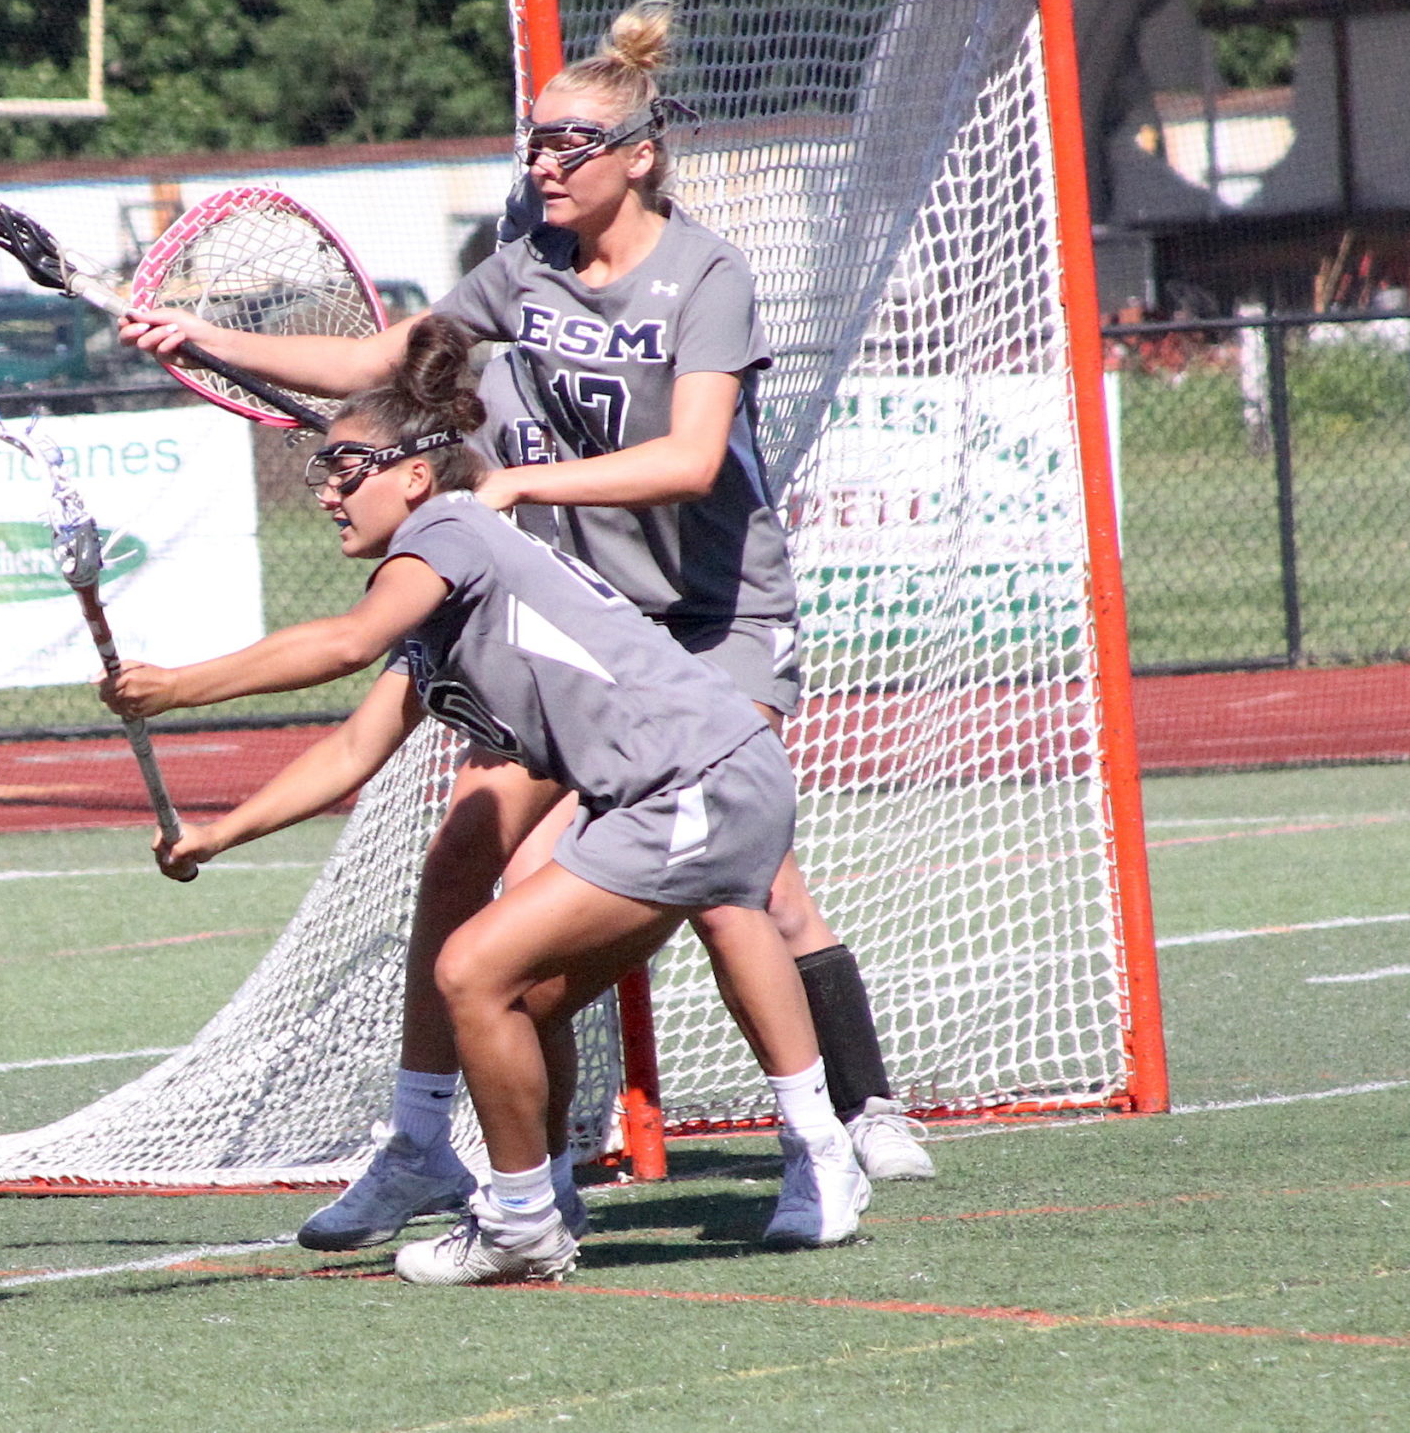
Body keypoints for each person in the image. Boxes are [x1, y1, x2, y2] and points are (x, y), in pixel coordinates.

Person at [118, 2, 931, 1252]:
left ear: (639, 153)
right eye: (533, 144)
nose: (543, 164)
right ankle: (421, 1144)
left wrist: (517, 486)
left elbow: (690, 457)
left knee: (735, 882)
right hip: (588, 623)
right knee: (465, 853)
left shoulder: (703, 273)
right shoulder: (524, 267)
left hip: (714, 618)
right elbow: (395, 361)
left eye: (570, 144)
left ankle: (831, 1129)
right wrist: (200, 335)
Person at [101, 330, 869, 1283]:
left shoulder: (450, 531)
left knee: (472, 969)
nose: (329, 491)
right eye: (324, 473)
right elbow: (350, 750)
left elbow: (343, 643)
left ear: (417, 478)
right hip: (671, 791)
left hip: (693, 778)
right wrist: (216, 834)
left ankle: (532, 1222)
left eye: (346, 467)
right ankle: (547, 1197)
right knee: (527, 996)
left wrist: (176, 686)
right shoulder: (440, 603)